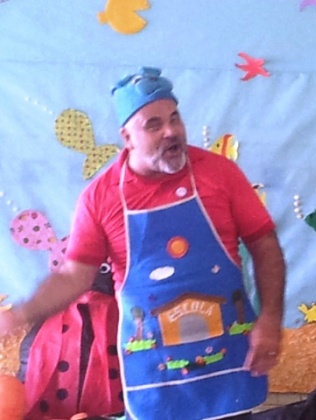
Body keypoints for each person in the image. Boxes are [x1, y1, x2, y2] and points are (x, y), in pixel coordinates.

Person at [0, 67, 286, 420]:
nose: (171, 131)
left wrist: (270, 318)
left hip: (229, 357)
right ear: (127, 137)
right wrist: (21, 314)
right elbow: (74, 276)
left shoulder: (220, 174)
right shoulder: (100, 198)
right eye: (153, 124)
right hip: (154, 369)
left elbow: (265, 245)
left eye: (175, 118)